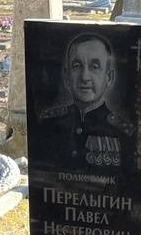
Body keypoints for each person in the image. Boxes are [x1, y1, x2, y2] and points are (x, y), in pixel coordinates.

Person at [40, 33, 132, 170]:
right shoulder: (48, 123)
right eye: (77, 66)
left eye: (95, 66)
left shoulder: (123, 132)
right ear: (66, 76)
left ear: (109, 77)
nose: (84, 77)